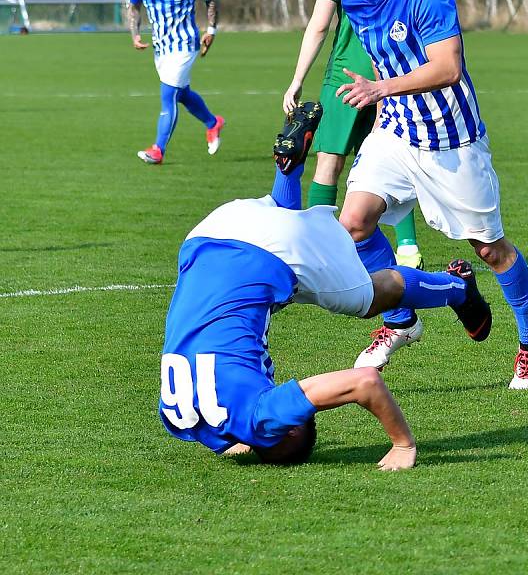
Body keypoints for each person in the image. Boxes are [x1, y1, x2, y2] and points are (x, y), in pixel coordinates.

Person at [159, 102, 492, 469]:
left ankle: (455, 290)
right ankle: (288, 169)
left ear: (286, 430)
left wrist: (403, 445)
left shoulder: (263, 418)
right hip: (209, 236)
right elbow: (225, 431)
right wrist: (241, 441)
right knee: (277, 279)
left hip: (265, 251)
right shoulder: (180, 419)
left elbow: (365, 382)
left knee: (370, 295)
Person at [333, 0, 528, 390]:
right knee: (354, 222)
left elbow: (447, 67)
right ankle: (402, 321)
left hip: (452, 141)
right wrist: (381, 99)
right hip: (395, 131)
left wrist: (379, 88)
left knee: (490, 250)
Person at [283, 0, 424, 271]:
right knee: (395, 163)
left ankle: (317, 250)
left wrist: (297, 79)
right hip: (396, 78)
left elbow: (320, 24)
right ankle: (408, 248)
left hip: (347, 76)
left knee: (329, 162)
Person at [128, 0, 224, 164]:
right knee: (181, 94)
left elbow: (211, 0)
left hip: (184, 46)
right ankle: (213, 123)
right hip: (161, 47)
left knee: (168, 94)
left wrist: (211, 30)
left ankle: (158, 150)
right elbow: (134, 7)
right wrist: (135, 34)